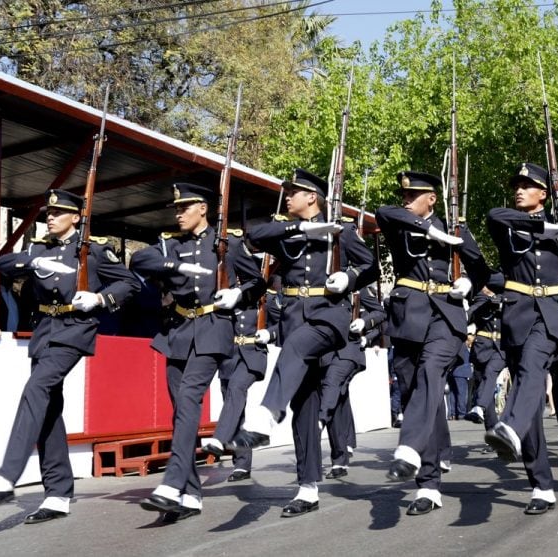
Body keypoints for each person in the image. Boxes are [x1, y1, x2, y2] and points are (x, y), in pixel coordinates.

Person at [231, 168, 377, 517]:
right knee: (305, 407)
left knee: (295, 348)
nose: (288, 198)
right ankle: (308, 488)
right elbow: (253, 236)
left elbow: (370, 265)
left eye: (293, 193)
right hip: (296, 316)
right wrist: (298, 227)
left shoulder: (340, 232)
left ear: (312, 196)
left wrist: (349, 276)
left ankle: (266, 414)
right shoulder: (286, 231)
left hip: (329, 317)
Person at [0, 189, 140, 523]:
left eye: (58, 213)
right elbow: (2, 263)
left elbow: (129, 284)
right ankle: (58, 493)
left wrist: (101, 300)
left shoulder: (93, 250)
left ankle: (7, 474)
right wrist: (31, 260)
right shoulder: (37, 249)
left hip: (74, 330)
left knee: (36, 389)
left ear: (76, 217)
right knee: (48, 409)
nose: (50, 217)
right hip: (44, 329)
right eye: (48, 212)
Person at [131, 182, 263, 522]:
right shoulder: (169, 244)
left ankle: (172, 483)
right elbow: (138, 259)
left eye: (185, 207)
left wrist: (238, 295)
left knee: (190, 397)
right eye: (176, 208)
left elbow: (257, 282)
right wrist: (173, 267)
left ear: (203, 209)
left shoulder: (228, 244)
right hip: (176, 333)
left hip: (212, 330)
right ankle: (189, 495)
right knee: (182, 414)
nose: (178, 213)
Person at [483, 162, 558, 515]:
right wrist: (545, 224)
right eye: (517, 185)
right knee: (530, 393)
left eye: (527, 185)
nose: (519, 190)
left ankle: (509, 426)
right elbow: (494, 215)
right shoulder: (508, 224)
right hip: (517, 316)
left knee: (534, 366)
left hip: (552, 316)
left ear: (544, 192)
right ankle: (542, 485)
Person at [376, 170, 493, 516]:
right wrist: (427, 228)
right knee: (415, 391)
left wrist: (468, 283)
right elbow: (383, 212)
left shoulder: (458, 231)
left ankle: (418, 467)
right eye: (405, 196)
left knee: (429, 374)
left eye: (414, 197)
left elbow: (483, 270)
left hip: (445, 318)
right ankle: (431, 471)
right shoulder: (401, 223)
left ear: (432, 199)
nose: (406, 201)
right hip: (407, 320)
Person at [200, 251, 270, 483]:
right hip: (228, 357)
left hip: (253, 356)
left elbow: (284, 322)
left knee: (237, 390)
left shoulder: (266, 299)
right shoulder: (224, 297)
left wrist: (269, 333)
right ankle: (242, 465)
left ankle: (220, 438)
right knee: (235, 408)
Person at [322, 284, 386, 479]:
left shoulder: (355, 285)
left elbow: (379, 312)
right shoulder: (315, 281)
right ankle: (339, 459)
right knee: (337, 400)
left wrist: (364, 324)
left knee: (331, 389)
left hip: (347, 349)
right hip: (323, 350)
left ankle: (319, 422)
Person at [464, 288, 505, 435]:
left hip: (502, 347)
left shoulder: (507, 294)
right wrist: (487, 305)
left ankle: (478, 407)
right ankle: (493, 432)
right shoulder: (478, 296)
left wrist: (501, 303)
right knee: (484, 386)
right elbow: (470, 314)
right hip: (482, 347)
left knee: (490, 373)